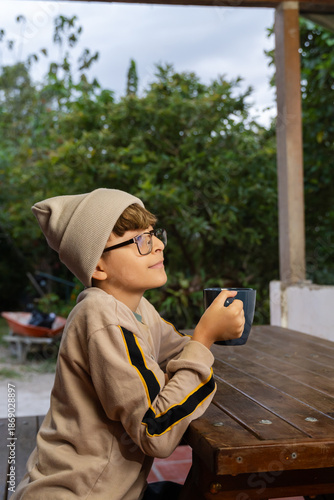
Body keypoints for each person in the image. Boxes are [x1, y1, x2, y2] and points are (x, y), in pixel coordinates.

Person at [12, 188, 245, 500]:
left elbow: (176, 350)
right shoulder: (102, 315)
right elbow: (155, 432)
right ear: (98, 267)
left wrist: (214, 332)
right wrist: (204, 338)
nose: (159, 245)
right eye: (141, 241)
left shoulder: (135, 308)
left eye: (154, 234)